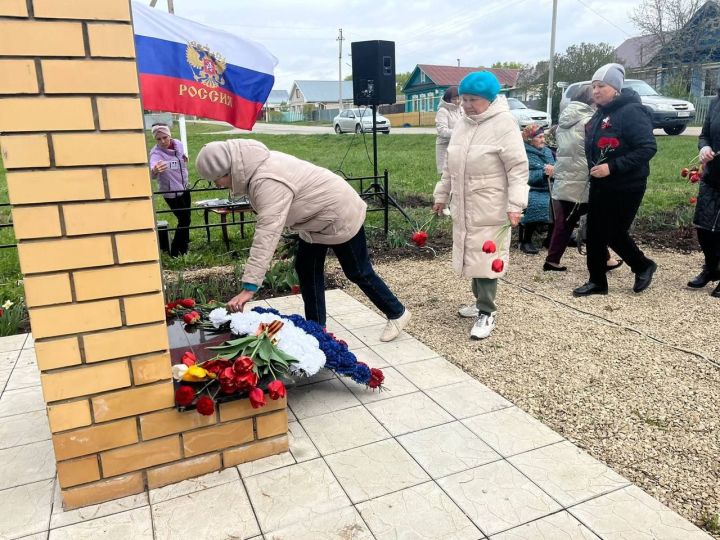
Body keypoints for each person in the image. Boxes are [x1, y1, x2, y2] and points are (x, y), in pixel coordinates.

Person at [195, 139, 411, 341]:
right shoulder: (254, 164)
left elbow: (267, 234)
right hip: (316, 219)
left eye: (217, 179)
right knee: (307, 268)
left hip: (338, 214)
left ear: (229, 170)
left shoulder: (266, 180)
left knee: (358, 271)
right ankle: (317, 330)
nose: (218, 185)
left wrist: (249, 287)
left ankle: (397, 313)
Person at [432, 71, 529, 339]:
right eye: (464, 99)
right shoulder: (463, 123)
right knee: (471, 253)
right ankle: (478, 304)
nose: (466, 105)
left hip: (491, 203)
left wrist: (516, 204)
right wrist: (441, 195)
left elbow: (518, 168)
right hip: (465, 203)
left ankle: (488, 311)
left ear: (488, 99)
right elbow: (450, 167)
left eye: (473, 99)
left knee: (487, 257)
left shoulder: (504, 123)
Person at [573, 63, 658, 297]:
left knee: (614, 231)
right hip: (601, 184)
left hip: (626, 185)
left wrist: (612, 167)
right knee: (595, 232)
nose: (596, 91)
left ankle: (643, 265)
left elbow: (647, 148)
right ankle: (597, 281)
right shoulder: (601, 112)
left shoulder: (631, 112)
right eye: (593, 86)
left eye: (601, 86)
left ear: (616, 89)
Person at [544, 85, 623, 272]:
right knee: (597, 220)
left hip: (564, 175)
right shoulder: (590, 120)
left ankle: (552, 260)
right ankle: (605, 259)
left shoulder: (564, 120)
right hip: (583, 178)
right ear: (591, 102)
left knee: (564, 221)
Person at [688, 88, 720, 297]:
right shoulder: (716, 102)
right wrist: (704, 147)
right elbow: (705, 134)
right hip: (712, 176)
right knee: (704, 228)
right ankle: (711, 268)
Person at [149, 124, 191, 257]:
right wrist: (154, 170)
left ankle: (184, 248)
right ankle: (175, 251)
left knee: (187, 219)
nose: (162, 141)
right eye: (158, 139)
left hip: (184, 187)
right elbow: (152, 168)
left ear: (170, 135)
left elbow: (180, 157)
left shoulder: (178, 144)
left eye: (165, 137)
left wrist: (183, 158)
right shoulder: (156, 153)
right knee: (184, 220)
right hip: (171, 192)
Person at [519, 124, 555, 254]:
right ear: (530, 139)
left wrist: (554, 172)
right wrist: (544, 173)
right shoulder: (523, 153)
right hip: (531, 188)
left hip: (550, 187)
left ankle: (550, 239)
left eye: (543, 136)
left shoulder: (547, 151)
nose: (543, 140)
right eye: (539, 137)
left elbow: (556, 167)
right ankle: (526, 241)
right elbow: (524, 176)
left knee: (559, 204)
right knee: (537, 202)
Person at [435, 86, 462, 174]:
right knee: (446, 176)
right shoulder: (443, 111)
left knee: (458, 174)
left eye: (459, 98)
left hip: (458, 146)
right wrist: (460, 132)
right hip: (445, 147)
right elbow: (442, 131)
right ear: (448, 99)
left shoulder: (460, 109)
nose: (457, 101)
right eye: (454, 99)